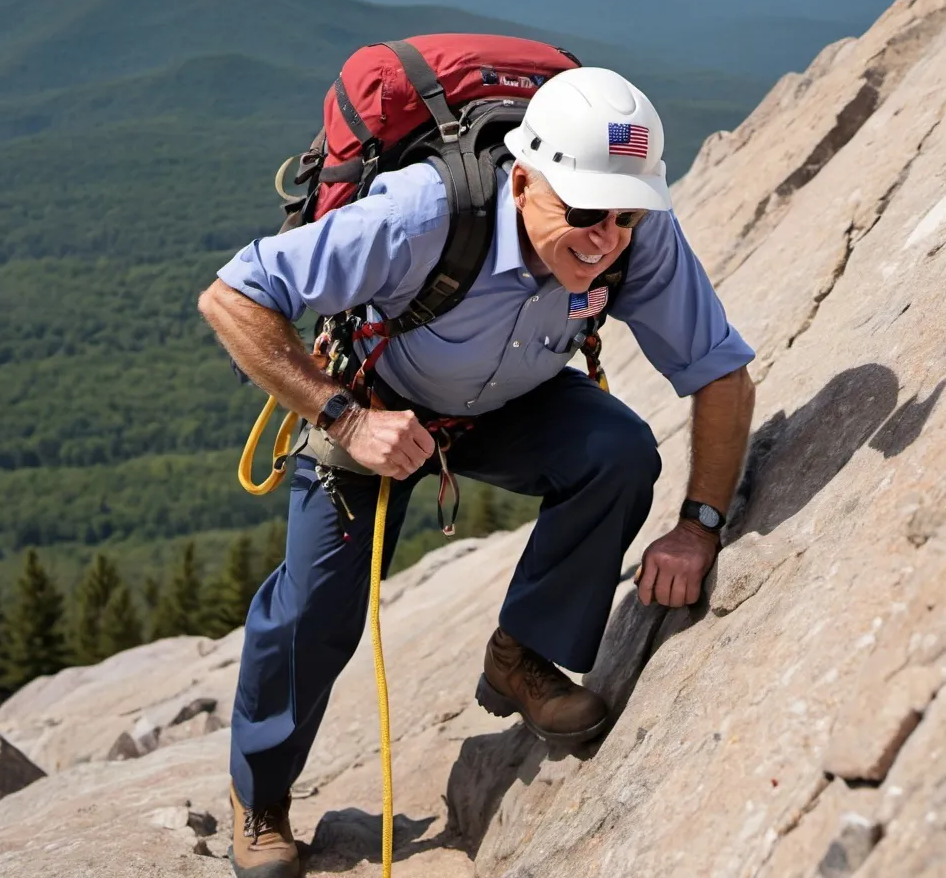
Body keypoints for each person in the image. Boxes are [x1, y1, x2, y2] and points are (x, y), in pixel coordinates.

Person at [198, 66, 756, 878]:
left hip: (510, 403)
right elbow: (233, 296)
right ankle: (264, 797)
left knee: (619, 453)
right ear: (524, 180)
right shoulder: (424, 214)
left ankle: (521, 656)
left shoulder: (636, 233)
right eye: (587, 214)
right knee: (315, 608)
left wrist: (700, 526)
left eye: (627, 218)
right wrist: (344, 419)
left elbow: (720, 373)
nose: (607, 242)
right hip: (371, 404)